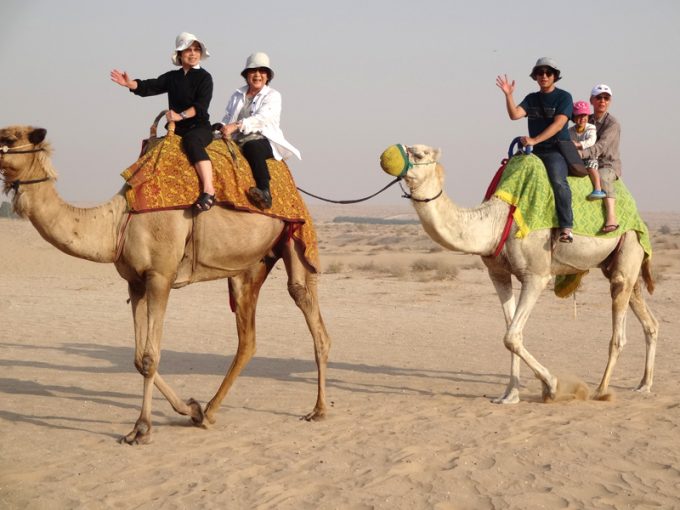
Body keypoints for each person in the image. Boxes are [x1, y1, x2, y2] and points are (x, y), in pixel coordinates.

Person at [111, 32, 216, 211]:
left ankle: (209, 190)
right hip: (176, 130)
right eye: (188, 50)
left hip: (198, 127)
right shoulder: (173, 77)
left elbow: (201, 106)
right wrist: (131, 85)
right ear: (180, 54)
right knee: (155, 149)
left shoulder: (205, 78)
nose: (193, 53)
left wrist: (179, 116)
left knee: (192, 141)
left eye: (196, 49)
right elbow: (151, 86)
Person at [497, 57, 575, 243]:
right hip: (533, 152)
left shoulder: (564, 97)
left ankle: (566, 227)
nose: (544, 76)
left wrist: (534, 139)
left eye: (548, 73)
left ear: (554, 76)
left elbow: (558, 125)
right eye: (540, 73)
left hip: (555, 150)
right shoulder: (532, 99)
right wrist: (508, 95)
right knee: (508, 176)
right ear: (535, 77)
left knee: (557, 181)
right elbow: (515, 115)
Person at [217, 52, 301, 210]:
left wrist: (236, 126)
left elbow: (262, 118)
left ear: (267, 76)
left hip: (263, 139)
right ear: (247, 75)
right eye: (253, 71)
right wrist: (221, 126)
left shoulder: (273, 96)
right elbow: (228, 117)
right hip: (236, 139)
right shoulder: (237, 94)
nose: (257, 75)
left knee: (253, 147)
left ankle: (265, 192)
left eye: (262, 71)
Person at [580, 84, 620, 232]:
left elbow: (601, 146)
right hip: (586, 162)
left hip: (606, 164)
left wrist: (582, 153)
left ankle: (611, 218)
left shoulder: (612, 124)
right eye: (599, 97)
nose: (602, 101)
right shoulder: (584, 120)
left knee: (603, 177)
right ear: (591, 100)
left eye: (606, 98)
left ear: (609, 101)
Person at [569, 100, 605, 201]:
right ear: (574, 118)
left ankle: (598, 189)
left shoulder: (591, 128)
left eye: (584, 116)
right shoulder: (570, 131)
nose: (582, 118)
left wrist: (579, 145)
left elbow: (591, 141)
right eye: (579, 116)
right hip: (576, 158)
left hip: (589, 156)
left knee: (591, 167)